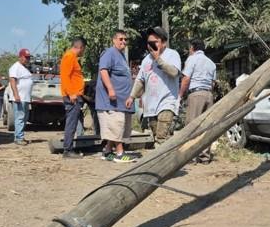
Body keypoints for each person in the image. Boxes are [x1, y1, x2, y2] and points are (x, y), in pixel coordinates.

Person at [125, 27, 181, 145]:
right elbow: (140, 80)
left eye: (154, 42)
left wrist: (158, 59)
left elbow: (174, 72)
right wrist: (132, 97)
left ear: (163, 42)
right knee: (157, 137)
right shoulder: (146, 60)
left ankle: (163, 162)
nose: (151, 45)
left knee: (161, 137)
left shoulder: (172, 54)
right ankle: (169, 158)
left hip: (167, 102)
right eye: (149, 43)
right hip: (151, 105)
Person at [96, 29, 135, 163]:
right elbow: (104, 71)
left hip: (122, 101)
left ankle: (107, 151)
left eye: (125, 39)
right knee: (116, 125)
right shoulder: (109, 53)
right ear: (114, 40)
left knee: (119, 127)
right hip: (111, 101)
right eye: (121, 39)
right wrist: (111, 89)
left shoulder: (121, 55)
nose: (124, 41)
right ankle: (119, 153)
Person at [179, 38, 217, 163]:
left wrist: (180, 95)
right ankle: (204, 157)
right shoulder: (211, 63)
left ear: (192, 48)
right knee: (205, 127)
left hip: (196, 94)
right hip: (208, 94)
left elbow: (186, 79)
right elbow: (212, 83)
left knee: (192, 126)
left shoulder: (192, 59)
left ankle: (190, 156)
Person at [59, 37, 87, 158]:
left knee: (73, 122)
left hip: (74, 95)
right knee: (71, 123)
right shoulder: (69, 56)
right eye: (84, 49)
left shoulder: (72, 57)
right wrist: (71, 93)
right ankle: (68, 150)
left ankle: (68, 149)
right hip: (72, 96)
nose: (83, 52)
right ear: (80, 47)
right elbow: (65, 76)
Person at [9, 48, 33, 146]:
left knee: (24, 118)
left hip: (25, 98)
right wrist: (16, 95)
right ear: (20, 57)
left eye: (28, 57)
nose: (27, 59)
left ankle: (19, 136)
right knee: (20, 117)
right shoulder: (15, 67)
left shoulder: (24, 68)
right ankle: (19, 138)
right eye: (26, 57)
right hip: (20, 97)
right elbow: (12, 80)